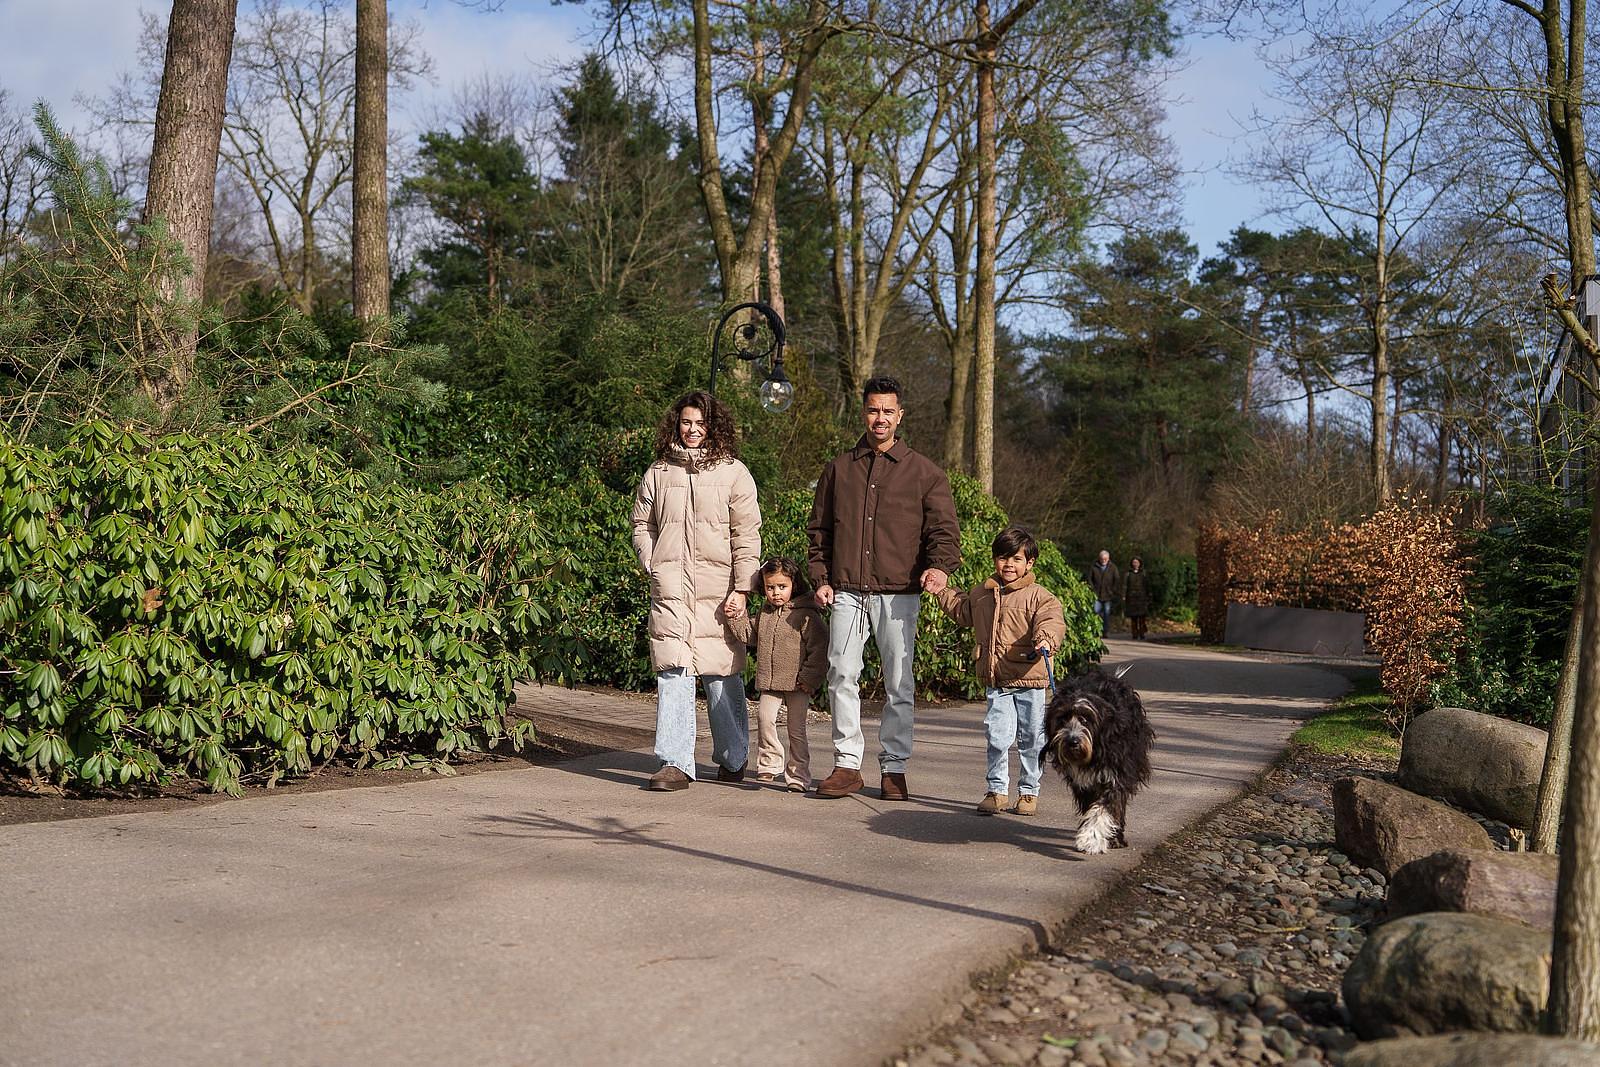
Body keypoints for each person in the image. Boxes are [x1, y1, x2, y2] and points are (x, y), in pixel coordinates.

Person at [807, 375, 961, 801]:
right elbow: (818, 531)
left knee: (899, 682)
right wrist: (821, 579)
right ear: (864, 412)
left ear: (900, 415)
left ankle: (894, 768)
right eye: (873, 410)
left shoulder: (926, 473)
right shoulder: (839, 469)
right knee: (841, 675)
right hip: (846, 591)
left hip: (899, 594)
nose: (880, 418)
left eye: (887, 411)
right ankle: (847, 764)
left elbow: (945, 533)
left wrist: (940, 568)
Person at [631, 390, 761, 791]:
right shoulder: (658, 472)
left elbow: (747, 534)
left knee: (721, 674)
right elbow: (642, 524)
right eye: (686, 422)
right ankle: (675, 763)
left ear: (713, 426)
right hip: (671, 590)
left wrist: (742, 588)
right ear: (677, 424)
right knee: (673, 671)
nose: (692, 430)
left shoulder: (734, 472)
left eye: (700, 423)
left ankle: (733, 756)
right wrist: (652, 565)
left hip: (719, 594)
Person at [935, 526, 1065, 816]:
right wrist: (941, 590)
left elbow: (1051, 620)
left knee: (1032, 737)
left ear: (1029, 563)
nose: (1009, 564)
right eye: (1003, 558)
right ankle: (996, 791)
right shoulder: (982, 593)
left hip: (1030, 678)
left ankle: (1029, 792)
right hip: (997, 680)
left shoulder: (1039, 596)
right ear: (995, 559)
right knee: (997, 735)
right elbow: (962, 610)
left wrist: (1046, 637)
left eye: (1017, 559)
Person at [725, 557, 828, 792]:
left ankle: (799, 775)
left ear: (794, 585)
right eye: (770, 587)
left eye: (782, 587)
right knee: (764, 719)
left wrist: (810, 678)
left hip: (798, 684)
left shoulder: (806, 615)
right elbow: (750, 634)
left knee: (796, 730)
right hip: (770, 682)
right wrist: (734, 616)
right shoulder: (766, 613)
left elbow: (819, 649)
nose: (776, 593)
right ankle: (770, 764)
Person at [1088, 549, 1119, 636]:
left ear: (1108, 559)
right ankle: (1096, 632)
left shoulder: (1113, 567)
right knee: (1095, 613)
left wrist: (1112, 591)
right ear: (1099, 558)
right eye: (1102, 559)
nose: (1104, 561)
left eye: (1105, 559)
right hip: (1096, 595)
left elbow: (1116, 580)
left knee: (1106, 615)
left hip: (1107, 595)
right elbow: (1090, 579)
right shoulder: (1094, 566)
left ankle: (1106, 631)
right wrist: (1092, 589)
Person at [1123, 556, 1151, 640]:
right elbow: (1124, 586)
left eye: (1137, 562)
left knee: (1142, 617)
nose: (1135, 564)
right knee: (1134, 618)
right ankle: (1134, 633)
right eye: (1134, 562)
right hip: (1131, 598)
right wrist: (1123, 596)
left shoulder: (1144, 573)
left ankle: (1142, 633)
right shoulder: (1128, 574)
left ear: (1140, 563)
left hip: (1142, 598)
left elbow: (1147, 585)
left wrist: (1149, 595)